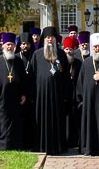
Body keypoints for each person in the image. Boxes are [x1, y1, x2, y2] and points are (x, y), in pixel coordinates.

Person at [28, 26, 71, 154]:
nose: (50, 40)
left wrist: (65, 95)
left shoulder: (61, 54)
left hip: (57, 96)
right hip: (41, 97)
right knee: (40, 122)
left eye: (52, 37)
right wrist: (32, 94)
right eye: (47, 37)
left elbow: (66, 77)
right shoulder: (36, 54)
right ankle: (41, 146)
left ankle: (57, 146)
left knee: (57, 122)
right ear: (44, 39)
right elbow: (31, 76)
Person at [0, 32, 27, 150]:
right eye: (8, 44)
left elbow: (23, 79)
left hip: (16, 100)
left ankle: (15, 146)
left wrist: (24, 94)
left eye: (12, 45)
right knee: (2, 124)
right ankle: (3, 146)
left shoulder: (18, 61)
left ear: (15, 46)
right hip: (1, 100)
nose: (10, 47)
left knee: (15, 124)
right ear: (3, 45)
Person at [62, 35, 82, 149]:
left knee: (75, 118)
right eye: (67, 49)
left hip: (75, 94)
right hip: (65, 94)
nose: (69, 51)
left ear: (74, 51)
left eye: (71, 49)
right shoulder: (61, 63)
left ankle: (75, 141)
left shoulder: (78, 63)